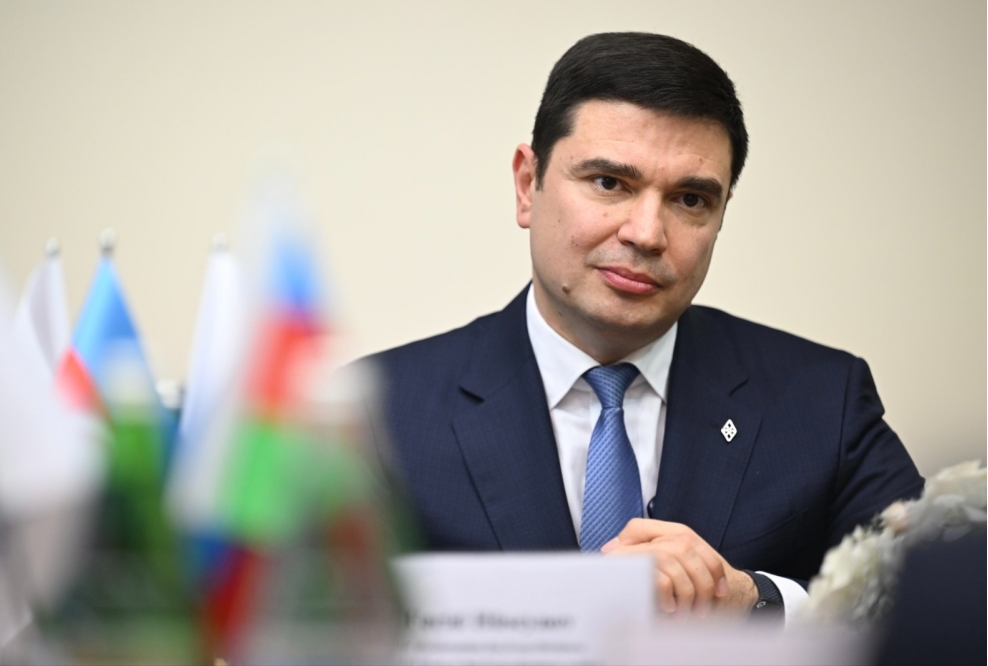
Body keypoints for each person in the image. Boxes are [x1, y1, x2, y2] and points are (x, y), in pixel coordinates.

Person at [360, 32, 923, 620]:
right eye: (610, 183)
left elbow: (942, 607)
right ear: (528, 185)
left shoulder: (821, 401)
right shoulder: (378, 415)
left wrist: (758, 605)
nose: (647, 234)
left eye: (690, 200)